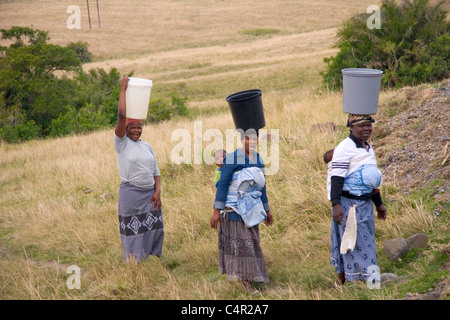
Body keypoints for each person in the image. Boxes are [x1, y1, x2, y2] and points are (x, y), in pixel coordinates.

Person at [210, 130, 273, 294]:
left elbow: (262, 186)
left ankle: (250, 278)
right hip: (233, 209)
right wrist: (216, 211)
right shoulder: (232, 158)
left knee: (251, 243)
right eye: (247, 139)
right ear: (241, 139)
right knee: (241, 247)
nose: (251, 142)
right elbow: (223, 184)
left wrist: (267, 209)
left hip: (252, 209)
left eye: (254, 139)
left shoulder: (258, 159)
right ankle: (245, 284)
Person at [328, 114, 387, 287]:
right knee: (357, 241)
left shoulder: (367, 147)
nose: (366, 129)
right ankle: (371, 282)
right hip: (349, 205)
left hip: (366, 204)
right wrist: (336, 205)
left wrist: (379, 204)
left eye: (369, 125)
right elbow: (336, 178)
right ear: (351, 127)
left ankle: (358, 278)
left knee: (364, 240)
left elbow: (372, 181)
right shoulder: (344, 147)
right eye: (362, 126)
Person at [114, 76, 164, 263]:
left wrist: (157, 191)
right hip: (131, 194)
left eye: (139, 127)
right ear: (126, 130)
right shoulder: (122, 144)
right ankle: (135, 261)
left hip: (150, 195)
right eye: (132, 127)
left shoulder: (147, 146)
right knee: (134, 229)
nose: (136, 130)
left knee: (153, 227)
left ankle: (153, 260)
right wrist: (123, 90)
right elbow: (121, 117)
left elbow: (156, 171)